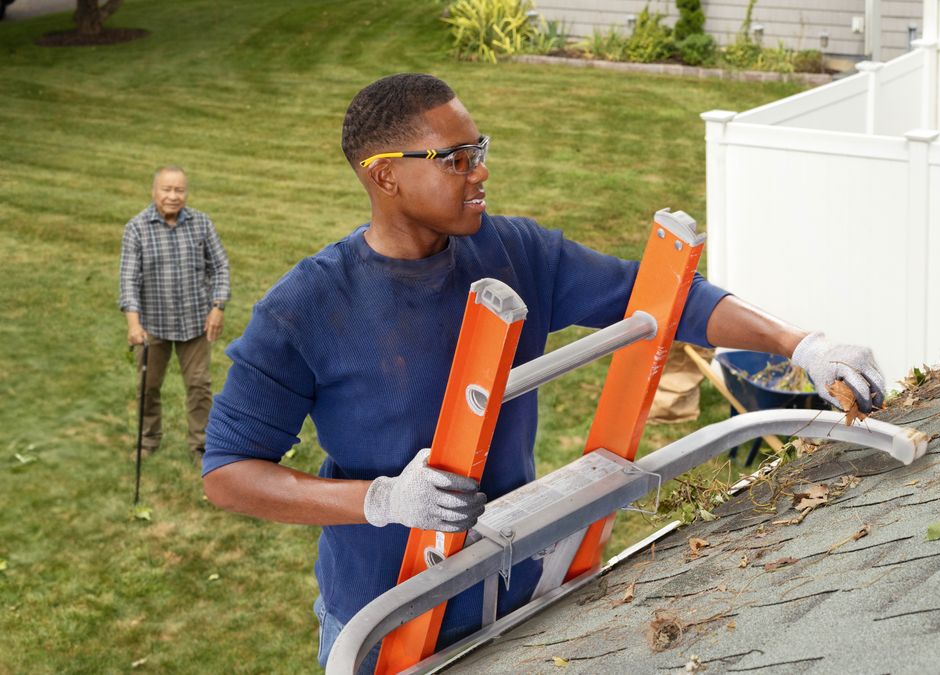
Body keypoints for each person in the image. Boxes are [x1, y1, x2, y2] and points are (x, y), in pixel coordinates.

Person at [200, 74, 885, 671]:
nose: (480, 171)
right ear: (386, 175)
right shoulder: (307, 307)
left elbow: (664, 297)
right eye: (457, 158)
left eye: (481, 150)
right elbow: (229, 474)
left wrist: (802, 345)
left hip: (513, 588)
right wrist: (381, 500)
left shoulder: (513, 250)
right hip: (383, 623)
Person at [119, 166, 230, 459]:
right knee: (148, 387)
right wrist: (133, 324)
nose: (172, 196)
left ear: (186, 193)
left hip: (195, 323)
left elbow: (220, 267)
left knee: (199, 387)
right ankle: (148, 441)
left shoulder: (201, 224)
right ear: (154, 192)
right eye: (166, 190)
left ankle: (201, 446)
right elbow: (129, 279)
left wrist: (217, 307)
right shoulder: (137, 228)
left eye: (179, 190)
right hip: (152, 326)